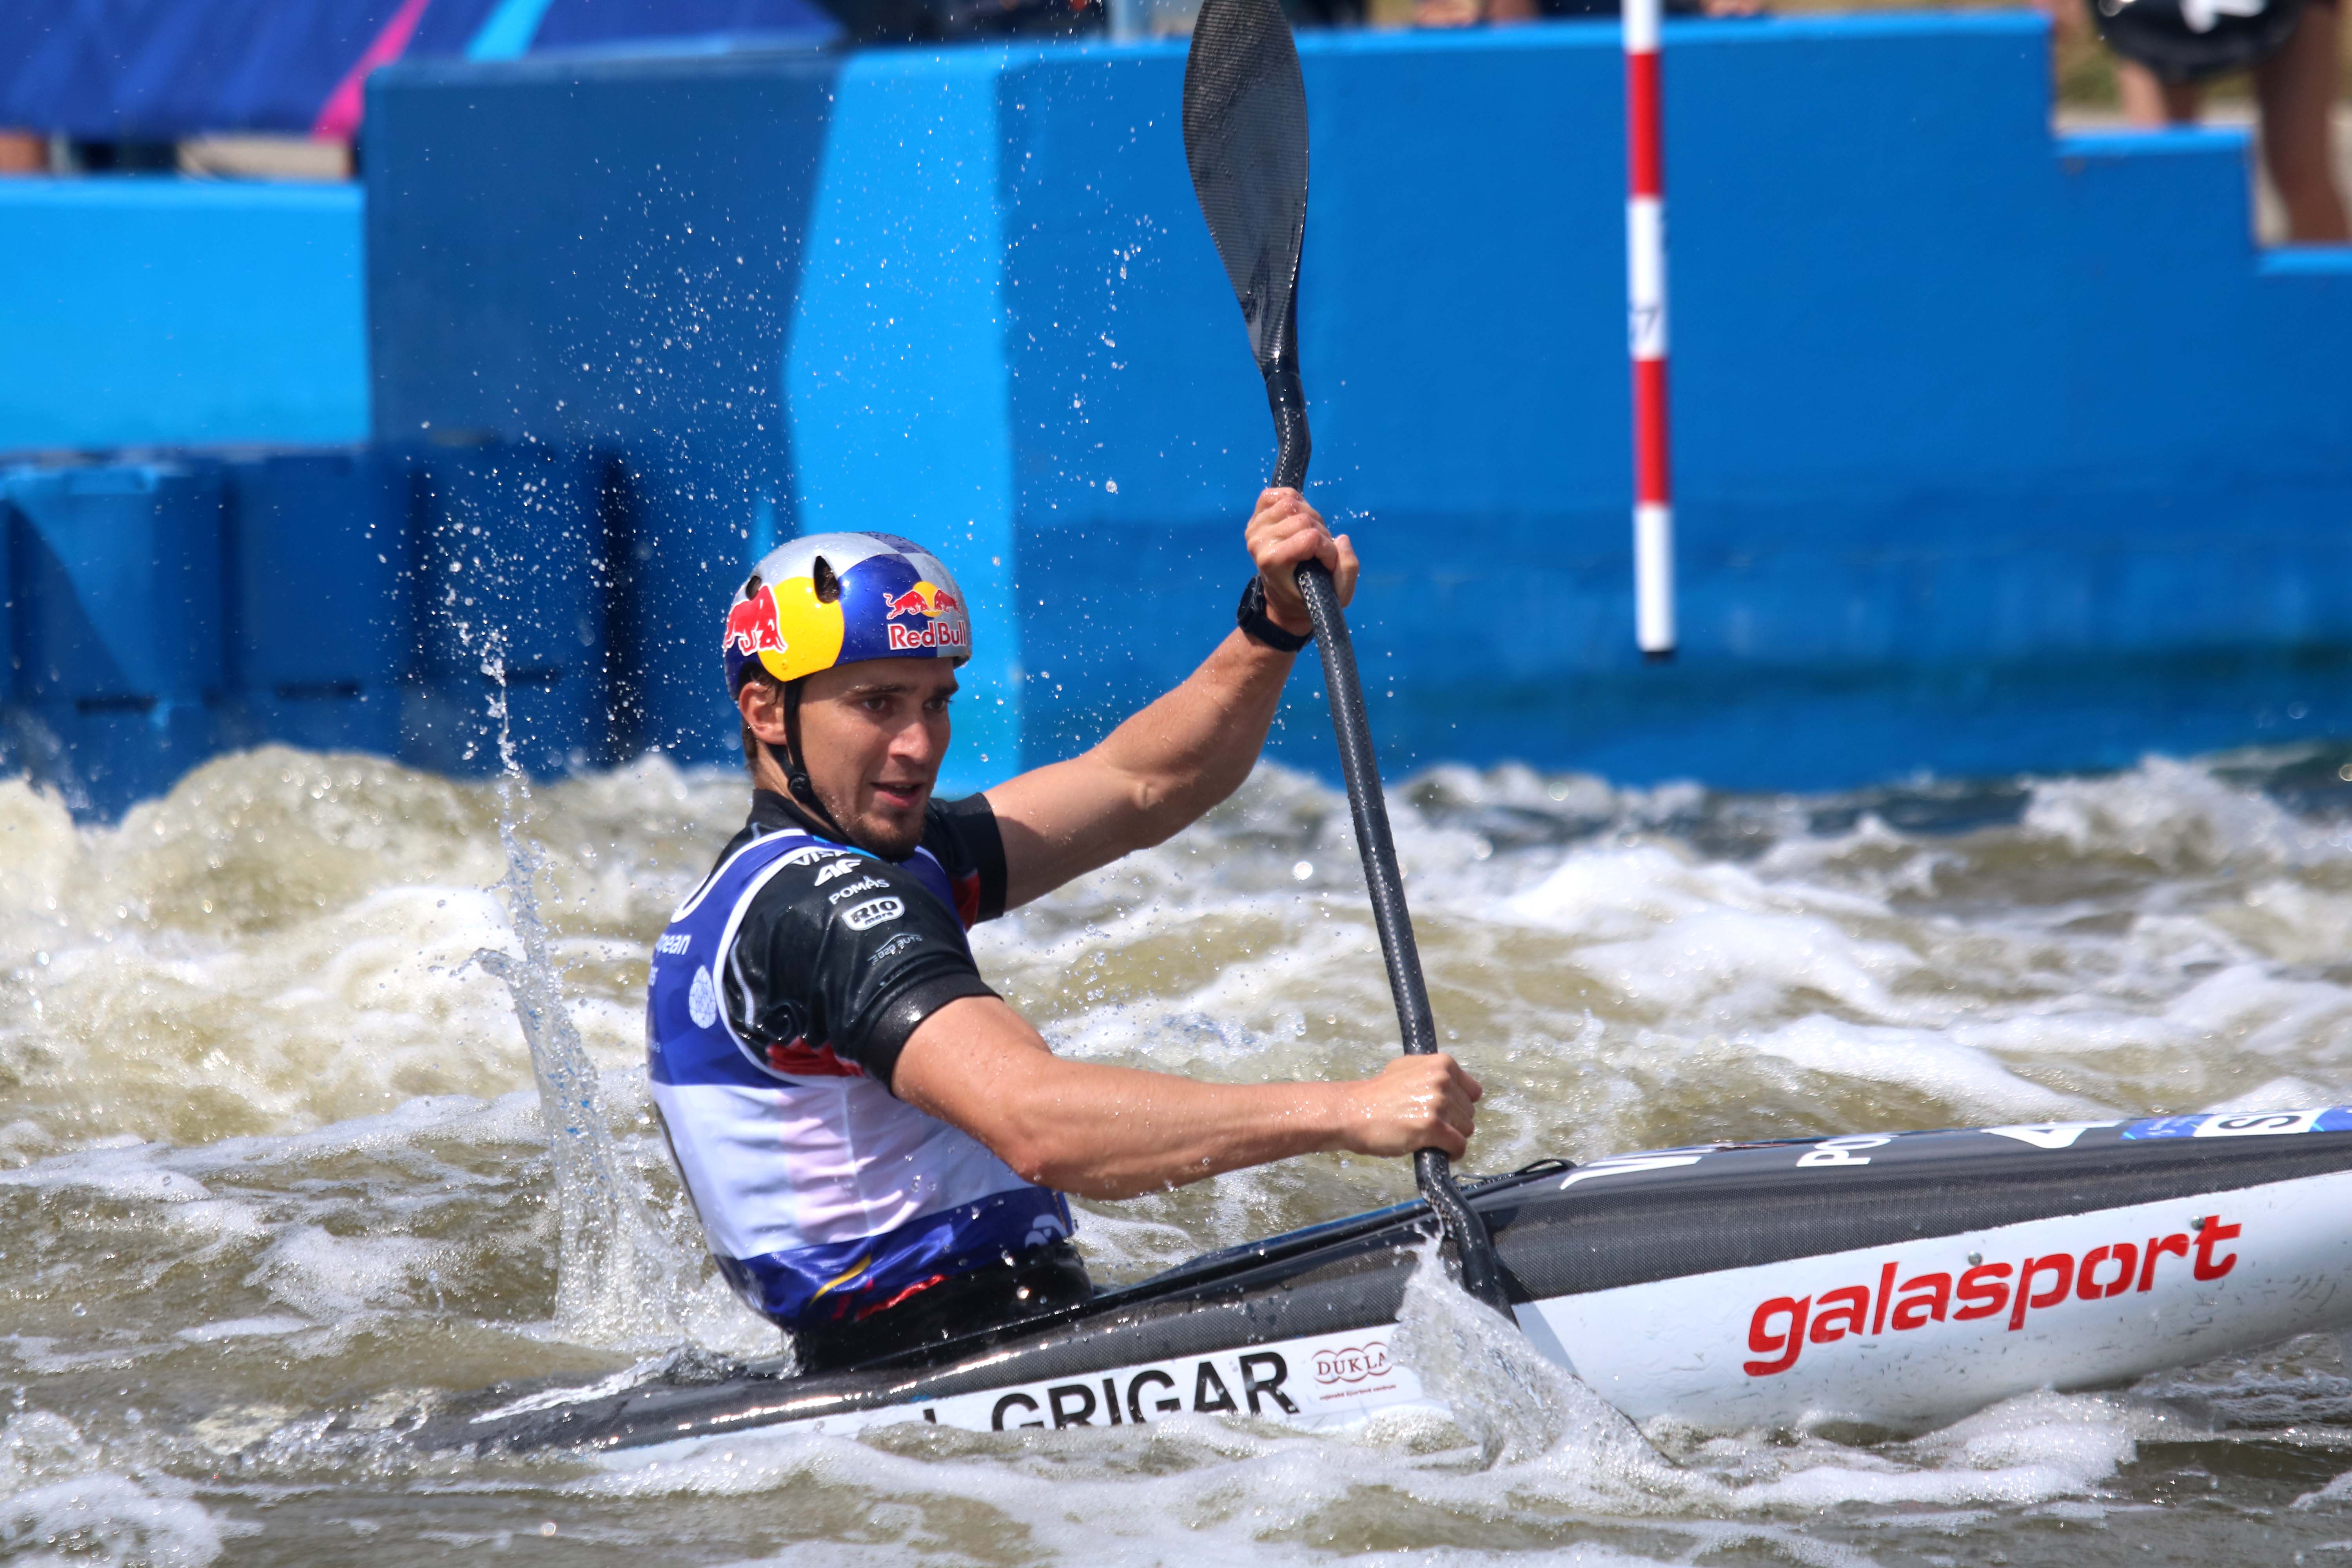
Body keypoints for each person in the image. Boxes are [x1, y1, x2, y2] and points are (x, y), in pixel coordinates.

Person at [645, 497, 1484, 1372]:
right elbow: (1038, 1122)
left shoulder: (842, 868)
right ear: (766, 711)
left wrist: (1271, 625)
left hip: (951, 1363)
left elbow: (1143, 784)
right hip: (939, 1381)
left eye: (935, 703)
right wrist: (1350, 1110)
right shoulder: (822, 907)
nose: (917, 743)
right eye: (877, 703)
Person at [2071, 0, 2349, 241]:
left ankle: (2332, 297)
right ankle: (2178, 297)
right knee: (2163, 176)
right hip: (2151, 16)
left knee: (2300, 173)